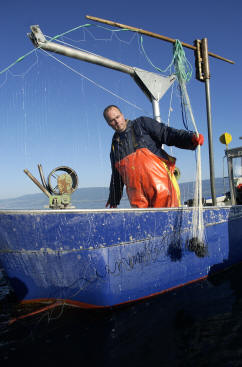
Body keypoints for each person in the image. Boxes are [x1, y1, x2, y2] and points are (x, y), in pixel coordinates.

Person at [104, 105, 204, 208]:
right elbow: (117, 176)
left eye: (117, 117)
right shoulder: (114, 147)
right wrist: (113, 201)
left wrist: (190, 138)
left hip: (163, 188)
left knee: (170, 219)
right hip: (138, 199)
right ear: (108, 124)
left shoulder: (141, 124)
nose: (116, 122)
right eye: (112, 120)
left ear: (122, 115)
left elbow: (166, 133)